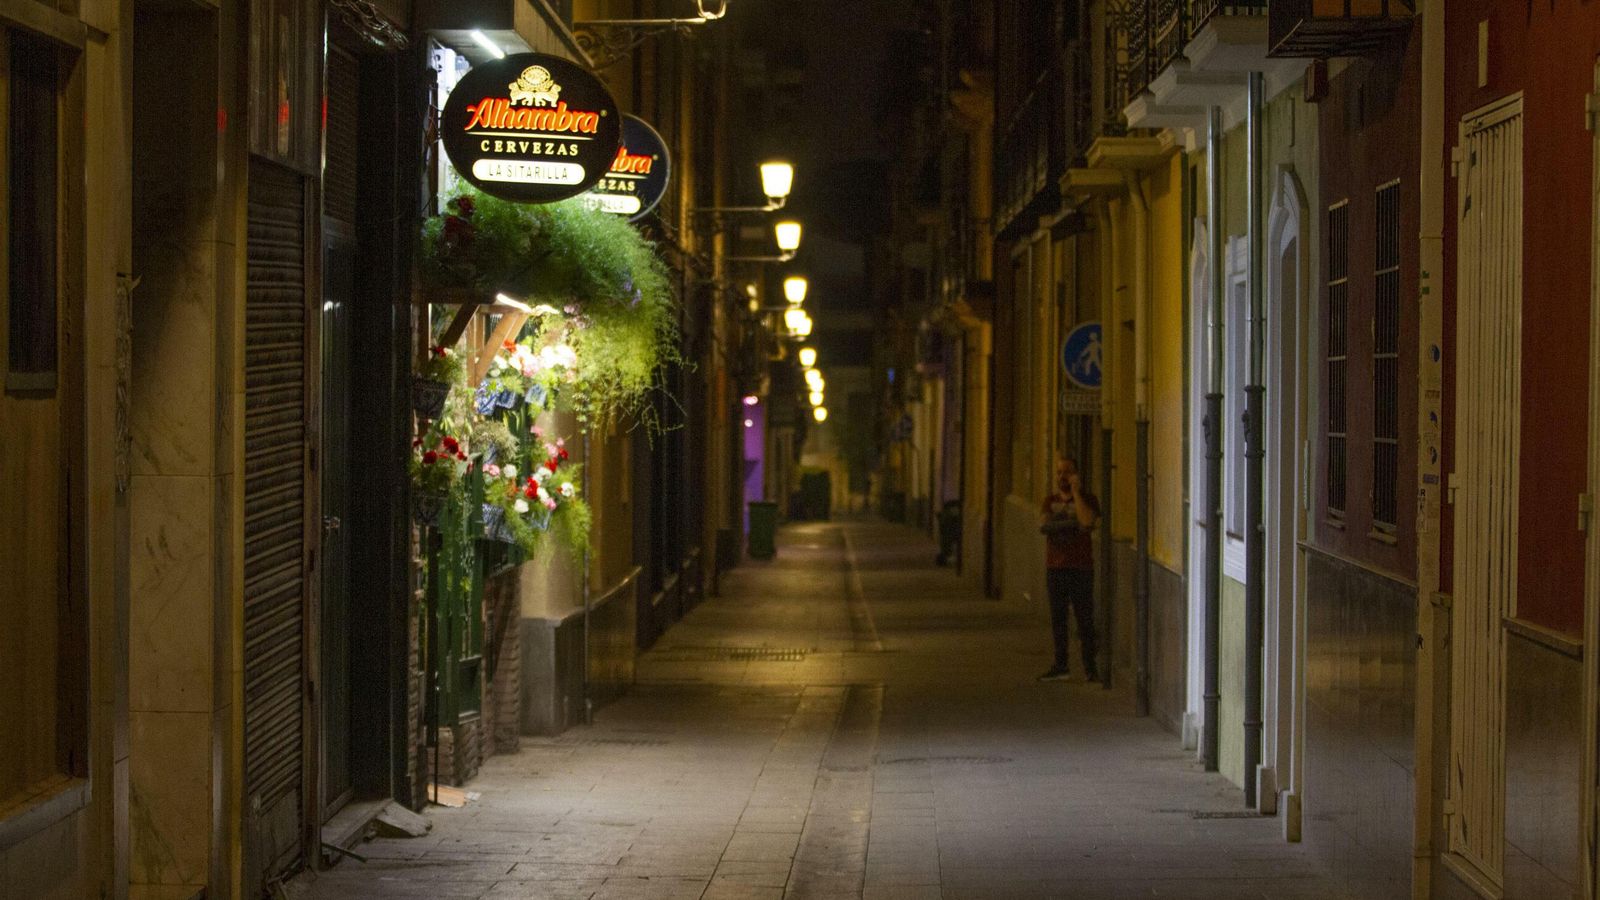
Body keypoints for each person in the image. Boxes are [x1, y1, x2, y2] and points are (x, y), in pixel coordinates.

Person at [1038, 456, 1100, 682]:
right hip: (1056, 567)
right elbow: (1044, 525)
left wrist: (1076, 494)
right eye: (1059, 473)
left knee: (1085, 619)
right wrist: (1069, 524)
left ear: (1077, 475)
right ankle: (1061, 664)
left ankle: (1090, 667)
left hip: (1081, 568)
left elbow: (1086, 522)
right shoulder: (1049, 500)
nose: (1062, 477)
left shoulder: (1089, 499)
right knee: (1058, 618)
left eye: (1067, 472)